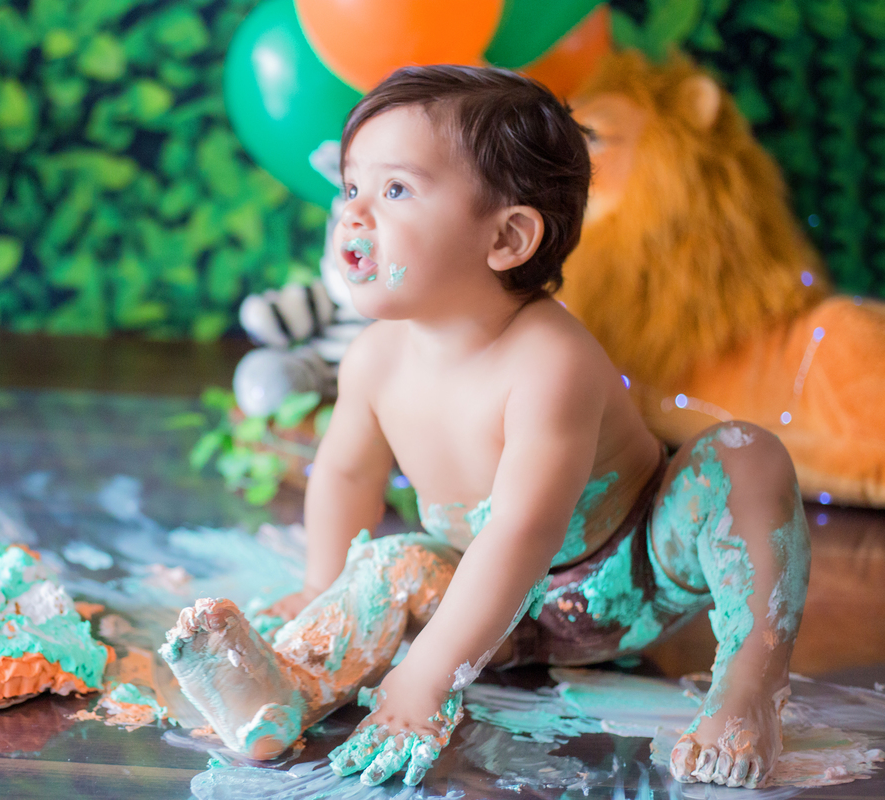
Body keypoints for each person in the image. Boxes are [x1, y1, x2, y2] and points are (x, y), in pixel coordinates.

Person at [161, 65, 809, 790]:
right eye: (351, 188)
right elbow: (346, 474)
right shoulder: (375, 358)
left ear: (507, 238)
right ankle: (285, 691)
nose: (353, 214)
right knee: (390, 564)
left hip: (627, 578)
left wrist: (427, 674)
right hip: (478, 601)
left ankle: (748, 684)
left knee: (746, 454)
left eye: (395, 190)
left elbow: (524, 531)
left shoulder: (550, 359)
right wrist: (322, 585)